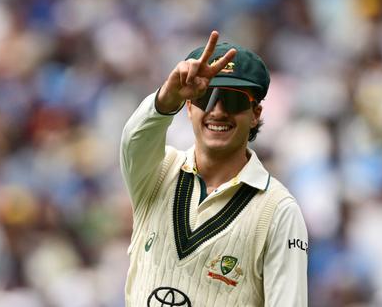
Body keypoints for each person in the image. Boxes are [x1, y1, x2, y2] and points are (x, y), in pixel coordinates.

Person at [120, 31, 308, 306]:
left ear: (256, 114)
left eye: (234, 101)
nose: (217, 112)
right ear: (187, 107)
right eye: (205, 97)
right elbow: (134, 141)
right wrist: (165, 98)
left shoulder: (278, 210)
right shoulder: (158, 172)